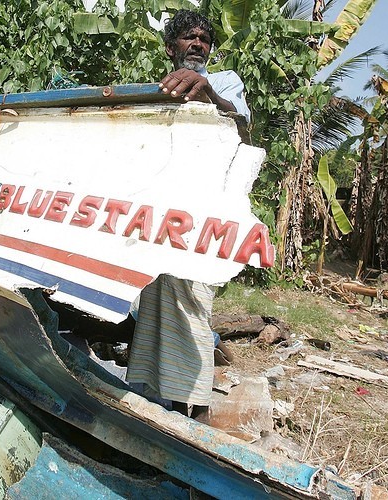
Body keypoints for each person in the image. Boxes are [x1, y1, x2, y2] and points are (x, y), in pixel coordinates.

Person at [125, 10, 247, 418]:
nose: (198, 44)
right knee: (152, 303)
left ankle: (189, 407)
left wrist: (209, 92)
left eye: (204, 39)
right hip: (158, 214)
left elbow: (243, 128)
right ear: (169, 47)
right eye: (188, 38)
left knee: (192, 302)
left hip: (202, 215)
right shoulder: (160, 88)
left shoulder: (225, 82)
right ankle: (150, 404)